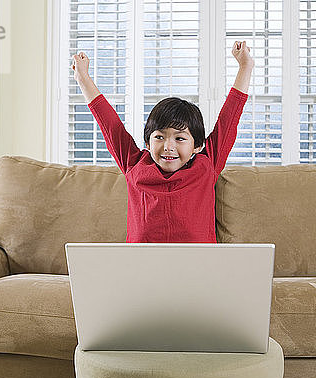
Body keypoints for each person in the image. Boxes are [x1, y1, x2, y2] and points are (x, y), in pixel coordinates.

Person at [72, 41, 253, 243]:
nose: (168, 146)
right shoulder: (134, 164)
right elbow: (110, 125)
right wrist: (83, 78)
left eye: (180, 138)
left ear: (197, 146)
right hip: (142, 269)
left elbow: (230, 118)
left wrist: (245, 67)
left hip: (198, 269)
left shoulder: (207, 164)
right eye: (159, 136)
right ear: (147, 143)